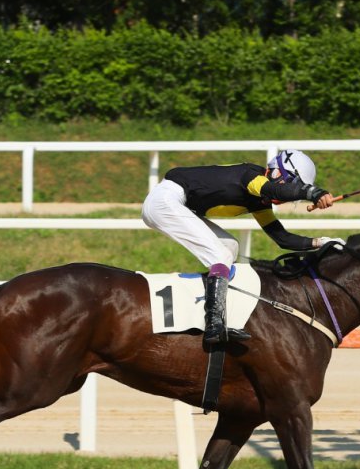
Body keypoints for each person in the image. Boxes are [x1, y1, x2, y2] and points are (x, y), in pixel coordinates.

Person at [142, 149, 343, 347]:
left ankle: (213, 307)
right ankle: (214, 324)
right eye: (292, 183)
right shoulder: (252, 176)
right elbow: (274, 190)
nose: (288, 194)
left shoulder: (259, 201)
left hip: (175, 204)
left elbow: (282, 239)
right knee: (219, 254)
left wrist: (321, 242)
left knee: (229, 247)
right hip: (165, 200)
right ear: (277, 172)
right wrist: (313, 192)